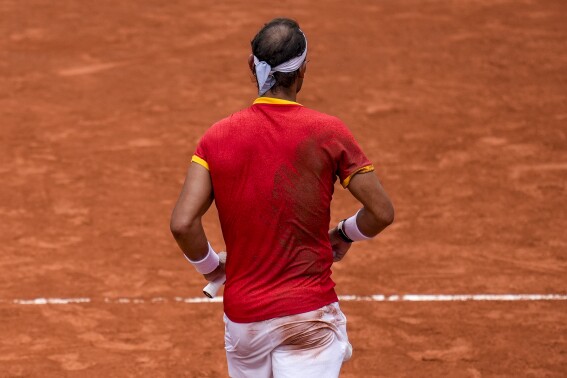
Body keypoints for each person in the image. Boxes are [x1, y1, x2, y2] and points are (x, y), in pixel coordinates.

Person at [170, 17, 394, 378]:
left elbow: (182, 223)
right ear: (303, 70)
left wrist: (212, 267)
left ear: (251, 66)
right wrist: (343, 234)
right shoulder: (328, 132)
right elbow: (381, 212)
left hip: (245, 324)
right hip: (310, 316)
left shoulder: (216, 137)